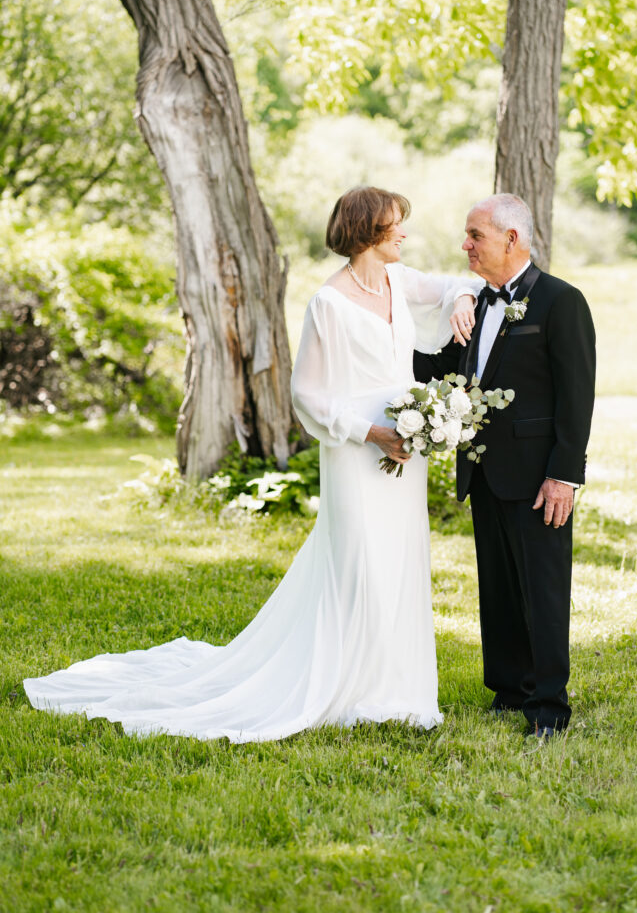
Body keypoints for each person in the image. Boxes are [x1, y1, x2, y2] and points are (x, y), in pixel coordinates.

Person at [24, 186, 478, 743]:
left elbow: (462, 282)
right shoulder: (328, 303)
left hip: (404, 449)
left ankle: (394, 690)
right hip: (358, 449)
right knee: (357, 562)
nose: (405, 233)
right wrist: (371, 432)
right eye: (394, 226)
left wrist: (458, 301)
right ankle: (346, 685)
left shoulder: (399, 281)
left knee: (400, 560)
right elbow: (307, 394)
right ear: (367, 233)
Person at [414, 193, 596, 740]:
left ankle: (548, 704)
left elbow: (576, 395)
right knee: (496, 586)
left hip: (539, 475)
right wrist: (380, 342)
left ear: (511, 239)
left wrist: (564, 475)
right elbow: (444, 366)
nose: (465, 246)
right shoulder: (475, 304)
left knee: (541, 588)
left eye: (476, 236)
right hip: (483, 469)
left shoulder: (561, 302)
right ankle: (509, 689)